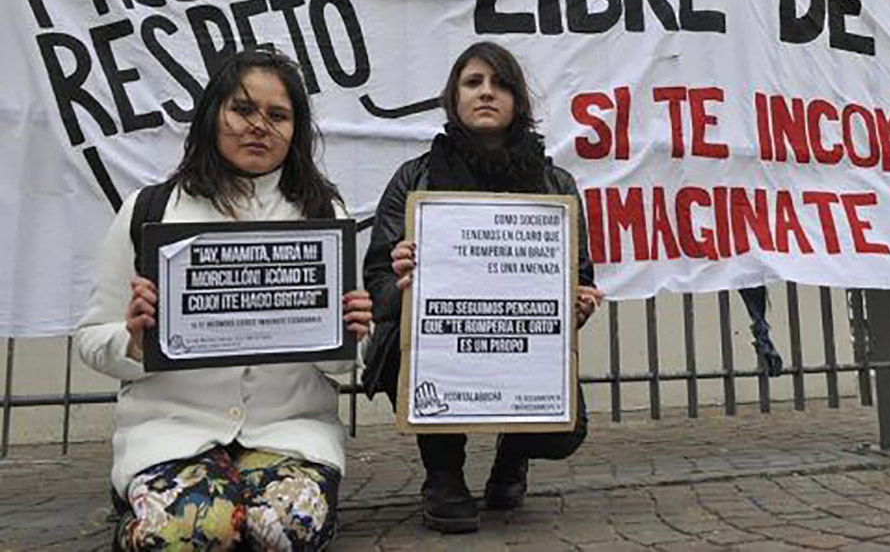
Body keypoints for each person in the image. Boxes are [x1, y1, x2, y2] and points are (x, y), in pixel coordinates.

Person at [76, 49, 373, 551]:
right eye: (242, 109)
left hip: (289, 433)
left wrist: (353, 333)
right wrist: (133, 339)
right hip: (172, 434)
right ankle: (147, 507)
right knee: (192, 533)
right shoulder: (149, 211)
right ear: (213, 114)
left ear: (296, 131)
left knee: (284, 530)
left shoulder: (325, 216)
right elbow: (90, 339)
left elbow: (343, 364)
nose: (259, 125)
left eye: (278, 115)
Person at [362, 41, 602, 534]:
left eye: (500, 84)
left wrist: (578, 302)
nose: (487, 93)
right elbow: (377, 282)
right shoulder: (414, 179)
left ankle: (513, 454)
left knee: (565, 432)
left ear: (519, 101)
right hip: (438, 343)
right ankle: (443, 476)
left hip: (519, 346)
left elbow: (580, 277)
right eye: (473, 83)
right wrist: (402, 275)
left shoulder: (556, 185)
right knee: (413, 358)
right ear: (454, 98)